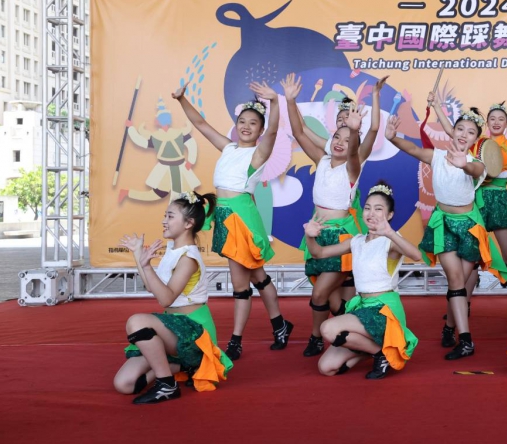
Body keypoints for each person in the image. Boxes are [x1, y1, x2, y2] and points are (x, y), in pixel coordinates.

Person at [172, 78, 292, 361]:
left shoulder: (258, 153)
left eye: (253, 123)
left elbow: (274, 131)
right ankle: (280, 325)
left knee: (241, 286)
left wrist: (275, 101)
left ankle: (236, 341)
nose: (246, 126)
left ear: (260, 130)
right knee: (258, 276)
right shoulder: (228, 148)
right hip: (226, 217)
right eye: (242, 121)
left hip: (241, 220)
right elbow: (201, 125)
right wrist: (181, 99)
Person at [384, 104, 494, 360]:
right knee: (455, 280)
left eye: (470, 132)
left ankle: (448, 327)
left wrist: (464, 165)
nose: (464, 134)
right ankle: (465, 341)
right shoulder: (437, 156)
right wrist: (393, 138)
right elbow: (413, 150)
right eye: (460, 129)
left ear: (475, 139)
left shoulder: (476, 164)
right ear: (452, 131)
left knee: (460, 283)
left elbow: (475, 170)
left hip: (469, 227)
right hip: (443, 223)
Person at [286, 74, 385, 357]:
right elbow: (298, 131)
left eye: (348, 139)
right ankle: (356, 331)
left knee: (318, 294)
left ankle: (316, 337)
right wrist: (291, 100)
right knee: (331, 300)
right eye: (337, 137)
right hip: (317, 233)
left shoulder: (352, 168)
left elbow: (359, 146)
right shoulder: (322, 160)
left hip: (341, 235)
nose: (341, 142)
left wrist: (356, 127)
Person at [113, 192, 232, 404]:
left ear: (189, 223)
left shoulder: (188, 258)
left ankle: (167, 383)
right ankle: (181, 366)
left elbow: (165, 299)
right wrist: (138, 255)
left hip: (193, 332)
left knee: (136, 322)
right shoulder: (173, 250)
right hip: (172, 330)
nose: (163, 221)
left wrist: (146, 266)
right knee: (124, 384)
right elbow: (153, 287)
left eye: (170, 216)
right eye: (165, 216)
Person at [431, 90, 507, 325]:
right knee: (470, 257)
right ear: (486, 123)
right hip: (474, 200)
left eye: (501, 119)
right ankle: (462, 304)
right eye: (492, 119)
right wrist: (437, 106)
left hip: (498, 201)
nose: (496, 122)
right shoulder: (476, 142)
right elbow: (451, 131)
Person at [305, 182, 421, 379]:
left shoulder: (391, 240)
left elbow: (416, 256)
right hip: (362, 307)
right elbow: (319, 253)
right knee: (326, 367)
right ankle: (378, 350)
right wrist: (310, 236)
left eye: (378, 209)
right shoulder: (356, 241)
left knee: (328, 328)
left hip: (384, 310)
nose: (371, 213)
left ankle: (380, 354)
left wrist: (390, 232)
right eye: (367, 208)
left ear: (389, 215)